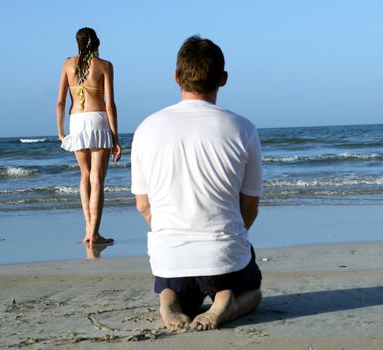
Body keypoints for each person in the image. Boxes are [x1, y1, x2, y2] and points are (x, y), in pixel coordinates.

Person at [131, 35, 263, 331]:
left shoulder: (146, 128)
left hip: (169, 255)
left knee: (179, 292)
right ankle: (226, 299)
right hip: (223, 250)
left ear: (177, 77)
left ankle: (169, 298)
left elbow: (143, 205)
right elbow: (249, 210)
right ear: (223, 78)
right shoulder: (243, 129)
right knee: (254, 292)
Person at [56, 27, 121, 244]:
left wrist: (60, 131)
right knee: (97, 179)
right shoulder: (105, 66)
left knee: (84, 175)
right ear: (97, 43)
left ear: (77, 43)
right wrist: (116, 138)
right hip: (98, 120)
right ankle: (95, 233)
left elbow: (60, 102)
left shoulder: (67, 65)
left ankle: (87, 231)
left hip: (76, 121)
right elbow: (110, 105)